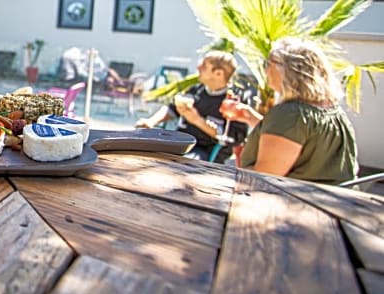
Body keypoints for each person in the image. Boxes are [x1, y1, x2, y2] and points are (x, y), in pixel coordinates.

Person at [224, 37, 358, 184]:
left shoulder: (290, 114)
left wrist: (240, 159)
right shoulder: (331, 108)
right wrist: (251, 117)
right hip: (338, 201)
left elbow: (263, 179)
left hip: (297, 202)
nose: (266, 69)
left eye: (268, 63)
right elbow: (293, 137)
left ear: (289, 69)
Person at [135, 50, 249, 163]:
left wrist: (197, 120)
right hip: (178, 143)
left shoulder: (233, 101)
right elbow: (171, 109)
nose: (198, 68)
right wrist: (151, 122)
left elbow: (233, 138)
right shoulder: (196, 90)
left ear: (219, 73)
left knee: (183, 161)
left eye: (204, 66)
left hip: (203, 153)